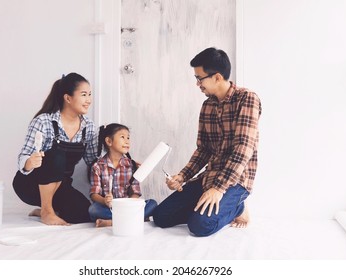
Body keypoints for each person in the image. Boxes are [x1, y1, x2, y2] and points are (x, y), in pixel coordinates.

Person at [153, 47, 262, 237]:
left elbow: (243, 150)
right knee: (161, 217)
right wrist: (182, 176)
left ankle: (237, 207)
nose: (197, 84)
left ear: (217, 77)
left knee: (200, 226)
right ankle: (205, 208)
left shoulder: (247, 99)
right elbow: (203, 150)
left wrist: (218, 189)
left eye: (199, 78)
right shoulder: (207, 106)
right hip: (209, 177)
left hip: (235, 181)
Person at [12, 73, 98, 226]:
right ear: (68, 98)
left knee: (84, 214)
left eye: (90, 95)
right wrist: (30, 162)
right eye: (84, 95)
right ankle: (46, 211)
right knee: (57, 155)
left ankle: (47, 210)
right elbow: (23, 157)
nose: (89, 100)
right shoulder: (44, 121)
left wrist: (123, 163)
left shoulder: (89, 127)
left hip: (60, 186)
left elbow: (93, 163)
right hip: (30, 185)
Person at [88, 123, 158, 227]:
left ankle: (112, 222)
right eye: (122, 137)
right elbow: (94, 194)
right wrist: (104, 200)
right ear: (109, 141)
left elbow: (135, 192)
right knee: (93, 210)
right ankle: (133, 219)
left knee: (152, 204)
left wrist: (129, 204)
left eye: (128, 138)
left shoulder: (132, 165)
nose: (127, 141)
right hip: (108, 208)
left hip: (127, 206)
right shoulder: (98, 166)